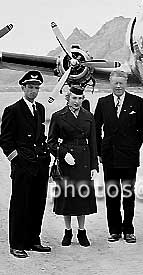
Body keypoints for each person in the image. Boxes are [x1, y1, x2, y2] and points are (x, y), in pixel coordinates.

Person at [0, 70, 51, 258]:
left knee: (38, 203)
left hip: (39, 165)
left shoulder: (40, 108)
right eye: (30, 87)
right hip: (23, 166)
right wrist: (17, 160)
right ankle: (17, 244)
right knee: (20, 204)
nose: (33, 91)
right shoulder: (13, 110)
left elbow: (41, 136)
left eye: (36, 88)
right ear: (23, 87)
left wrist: (46, 157)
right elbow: (5, 140)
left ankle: (33, 240)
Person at [94, 70, 143, 243]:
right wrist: (100, 152)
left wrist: (134, 147)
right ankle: (114, 230)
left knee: (128, 194)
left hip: (129, 157)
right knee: (112, 195)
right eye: (115, 83)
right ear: (110, 83)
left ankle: (129, 230)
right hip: (109, 156)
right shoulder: (103, 103)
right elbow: (96, 129)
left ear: (126, 83)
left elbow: (142, 128)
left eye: (121, 83)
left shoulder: (137, 102)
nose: (118, 86)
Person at [47, 86, 98, 247]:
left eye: (80, 98)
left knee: (82, 197)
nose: (77, 102)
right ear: (68, 98)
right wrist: (62, 154)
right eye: (74, 98)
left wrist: (94, 166)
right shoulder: (58, 116)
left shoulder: (88, 116)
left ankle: (82, 231)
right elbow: (51, 142)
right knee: (67, 198)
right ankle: (68, 231)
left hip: (83, 160)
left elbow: (94, 143)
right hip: (66, 162)